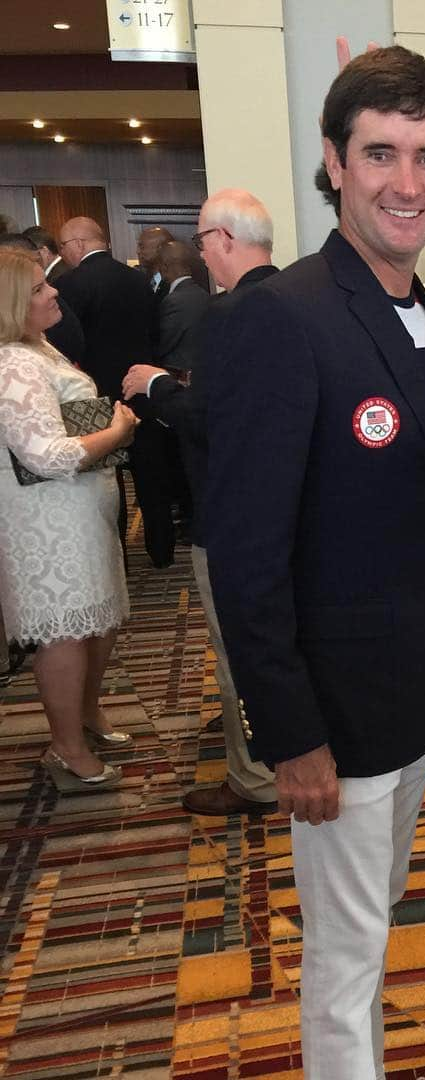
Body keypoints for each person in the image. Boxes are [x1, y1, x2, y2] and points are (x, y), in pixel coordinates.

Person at [203, 49, 425, 1079]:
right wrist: (290, 735)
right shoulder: (286, 314)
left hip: (411, 704)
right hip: (335, 720)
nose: (408, 182)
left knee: (374, 927)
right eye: (380, 153)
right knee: (347, 959)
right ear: (333, 161)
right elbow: (246, 551)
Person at [122, 188, 279, 817]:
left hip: (229, 512)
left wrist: (156, 386)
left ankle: (253, 777)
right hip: (281, 510)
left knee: (237, 646)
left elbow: (214, 421)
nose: (200, 253)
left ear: (224, 240)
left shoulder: (227, 313)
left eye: (202, 240)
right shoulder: (294, 301)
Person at [0, 248, 138, 792]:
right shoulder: (13, 362)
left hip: (78, 512)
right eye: (38, 288)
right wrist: (117, 431)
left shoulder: (38, 347)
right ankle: (67, 746)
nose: (54, 291)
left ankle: (85, 715)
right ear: (12, 303)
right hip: (47, 522)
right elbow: (45, 455)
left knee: (95, 624)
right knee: (64, 634)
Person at [54, 216, 175, 568]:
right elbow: (157, 333)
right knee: (152, 476)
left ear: (76, 245)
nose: (64, 254)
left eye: (63, 247)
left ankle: (117, 553)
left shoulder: (70, 285)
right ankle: (162, 550)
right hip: (143, 388)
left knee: (111, 479)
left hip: (97, 395)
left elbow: (68, 345)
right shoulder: (140, 281)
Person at [0, 233, 84, 365]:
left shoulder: (38, 340)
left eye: (46, 283)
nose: (54, 291)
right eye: (38, 289)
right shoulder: (16, 363)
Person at [154, 241, 210, 374]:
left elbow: (161, 344)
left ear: (164, 267)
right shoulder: (204, 294)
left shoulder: (174, 301)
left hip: (178, 376)